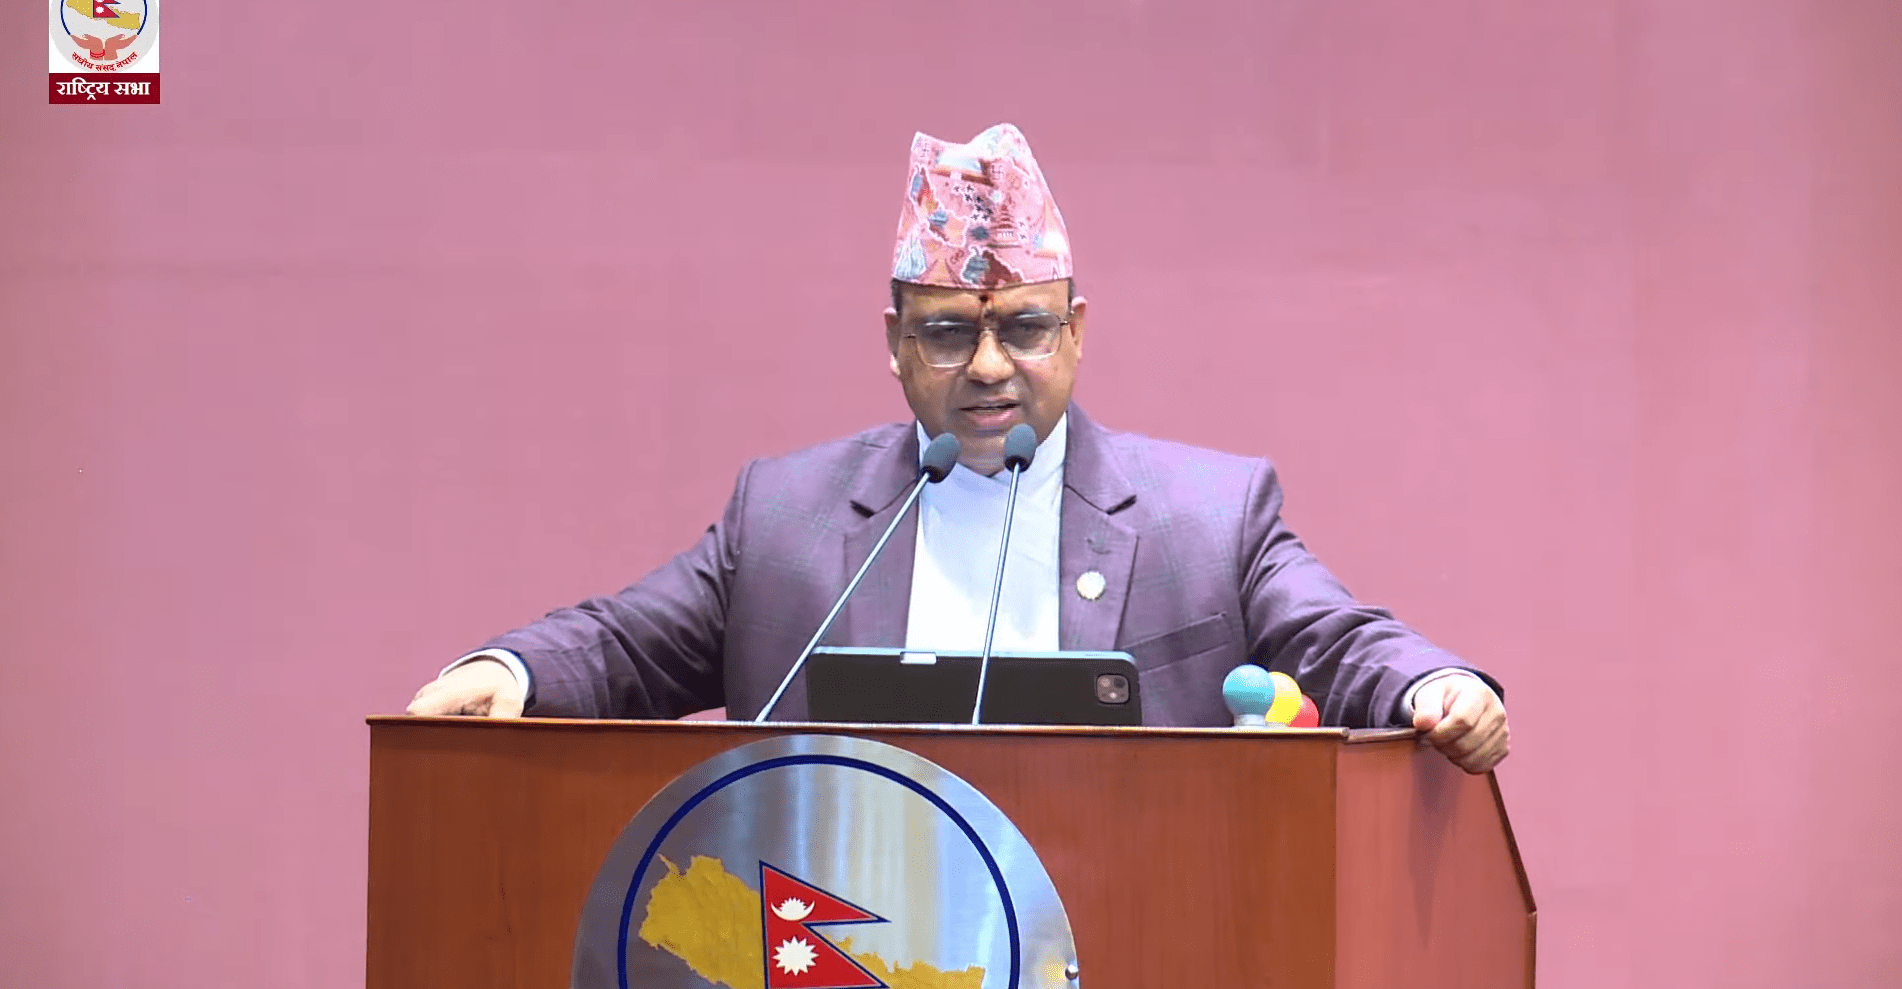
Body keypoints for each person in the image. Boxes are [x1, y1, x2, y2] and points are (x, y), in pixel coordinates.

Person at [409, 123, 1510, 774]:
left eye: (1024, 328)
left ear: (1075, 333)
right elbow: (626, 646)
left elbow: (1337, 639)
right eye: (947, 333)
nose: (988, 366)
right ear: (895, 343)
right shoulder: (787, 517)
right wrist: (508, 670)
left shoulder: (1207, 518)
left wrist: (1437, 684)